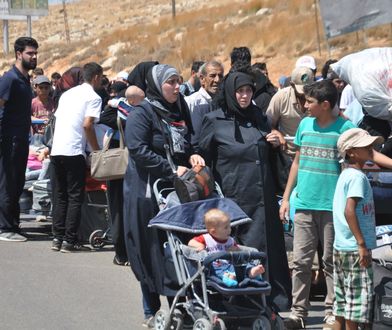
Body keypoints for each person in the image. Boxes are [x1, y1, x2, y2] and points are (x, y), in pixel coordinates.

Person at [198, 71, 291, 311]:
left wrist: (275, 143)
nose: (245, 95)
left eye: (249, 90)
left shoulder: (258, 116)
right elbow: (201, 153)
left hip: (263, 198)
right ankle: (243, 304)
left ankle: (272, 302)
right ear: (230, 92)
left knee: (267, 249)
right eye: (240, 91)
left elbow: (267, 147)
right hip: (235, 199)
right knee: (239, 250)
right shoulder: (214, 120)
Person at [123, 64, 204, 327]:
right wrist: (170, 169)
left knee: (176, 248)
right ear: (158, 85)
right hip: (147, 191)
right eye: (171, 82)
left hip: (176, 192)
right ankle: (151, 309)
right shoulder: (142, 113)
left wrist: (192, 154)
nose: (177, 87)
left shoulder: (178, 110)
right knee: (150, 247)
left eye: (178, 81)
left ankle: (179, 305)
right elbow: (137, 149)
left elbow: (187, 140)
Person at [279, 80, 356, 329]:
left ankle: (332, 311)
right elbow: (297, 163)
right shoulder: (304, 125)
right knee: (301, 261)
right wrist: (286, 197)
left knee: (331, 261)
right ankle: (298, 312)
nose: (305, 106)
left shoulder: (346, 129)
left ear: (325, 105)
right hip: (303, 205)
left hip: (332, 208)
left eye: (310, 102)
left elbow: (352, 169)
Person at [333, 128, 385, 330]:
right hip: (356, 249)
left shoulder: (346, 174)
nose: (371, 148)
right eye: (366, 146)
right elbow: (349, 211)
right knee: (356, 305)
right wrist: (362, 244)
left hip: (342, 246)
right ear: (352, 151)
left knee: (342, 302)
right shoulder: (357, 177)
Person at [50, 62, 103, 253]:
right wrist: (97, 151)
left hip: (57, 148)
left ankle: (57, 237)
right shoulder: (94, 97)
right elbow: (88, 125)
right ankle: (69, 240)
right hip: (74, 150)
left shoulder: (67, 94)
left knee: (60, 195)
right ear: (96, 77)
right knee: (74, 197)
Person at [0, 36, 39, 242]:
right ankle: (4, 228)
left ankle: (13, 225)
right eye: (29, 53)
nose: (34, 57)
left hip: (21, 139)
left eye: (35, 53)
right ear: (18, 54)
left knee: (17, 183)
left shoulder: (24, 80)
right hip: (9, 140)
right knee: (8, 183)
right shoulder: (10, 79)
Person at [188, 208, 265, 287]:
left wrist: (235, 250)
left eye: (229, 226)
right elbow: (191, 242)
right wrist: (200, 246)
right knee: (216, 271)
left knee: (242, 263)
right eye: (226, 227)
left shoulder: (230, 240)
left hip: (230, 265)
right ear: (213, 231)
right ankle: (228, 278)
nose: (229, 230)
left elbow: (238, 251)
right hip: (216, 267)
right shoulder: (206, 238)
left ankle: (250, 271)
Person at [266, 66, 315, 159]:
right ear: (292, 85)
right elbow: (267, 124)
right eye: (302, 91)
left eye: (308, 89)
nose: (305, 94)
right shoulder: (281, 97)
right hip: (289, 156)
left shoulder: (320, 96)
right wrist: (276, 133)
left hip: (313, 156)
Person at [185, 60, 224, 149]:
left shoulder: (225, 102)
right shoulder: (191, 102)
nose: (217, 80)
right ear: (202, 79)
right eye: (212, 76)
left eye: (220, 76)